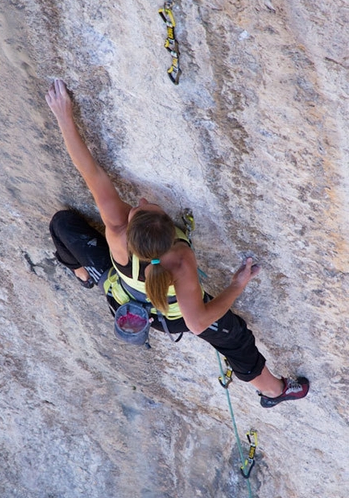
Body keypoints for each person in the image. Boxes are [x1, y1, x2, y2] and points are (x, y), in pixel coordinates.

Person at [46, 79, 309, 408]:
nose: (141, 199)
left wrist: (63, 117)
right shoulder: (182, 260)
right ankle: (274, 390)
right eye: (145, 205)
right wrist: (237, 284)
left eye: (141, 205)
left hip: (124, 297)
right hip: (169, 315)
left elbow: (90, 171)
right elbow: (199, 322)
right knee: (235, 338)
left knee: (62, 226)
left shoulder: (116, 229)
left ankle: (86, 275)